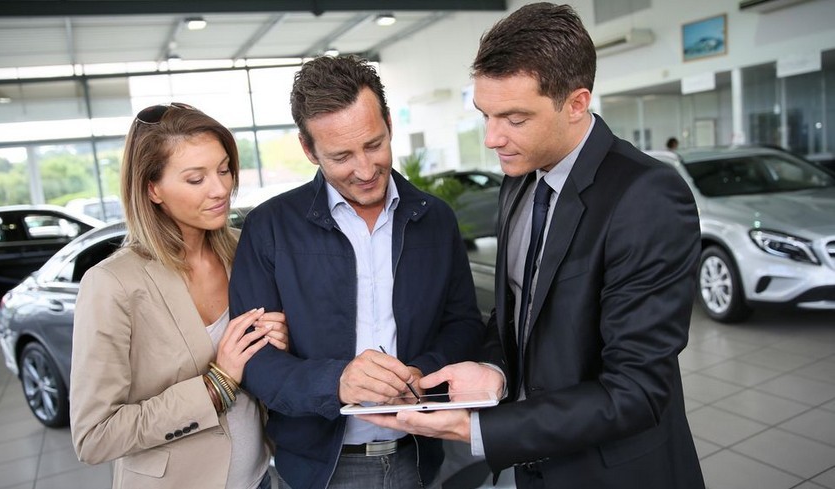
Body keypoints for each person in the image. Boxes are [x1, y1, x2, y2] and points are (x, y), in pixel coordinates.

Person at [361, 4, 706, 488]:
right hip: (532, 468)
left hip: (612, 473)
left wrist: (477, 427)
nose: (491, 137)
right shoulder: (519, 181)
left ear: (576, 103)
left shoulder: (647, 196)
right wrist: (494, 372)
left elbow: (637, 391)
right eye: (485, 115)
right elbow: (519, 318)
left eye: (514, 118)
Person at [229, 55, 484, 489]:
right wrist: (338, 382)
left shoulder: (436, 219)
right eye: (342, 156)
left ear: (388, 122)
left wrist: (422, 372)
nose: (365, 171)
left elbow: (462, 324)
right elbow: (254, 362)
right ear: (309, 150)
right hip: (318, 471)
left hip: (420, 457)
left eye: (373, 144)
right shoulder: (269, 227)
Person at [70, 103, 289, 489]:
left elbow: (268, 370)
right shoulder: (111, 284)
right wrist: (215, 386)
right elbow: (94, 436)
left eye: (223, 170)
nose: (221, 188)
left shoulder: (246, 252)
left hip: (259, 478)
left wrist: (280, 344)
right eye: (195, 179)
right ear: (152, 189)